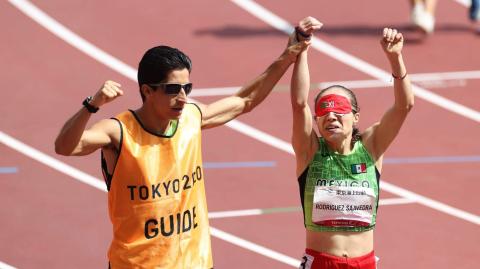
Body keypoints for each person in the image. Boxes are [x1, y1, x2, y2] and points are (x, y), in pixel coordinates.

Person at [54, 36, 309, 268]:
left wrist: (287, 56)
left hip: (194, 262)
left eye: (187, 88)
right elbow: (65, 147)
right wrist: (92, 105)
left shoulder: (191, 117)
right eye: (173, 89)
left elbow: (245, 100)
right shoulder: (118, 132)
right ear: (147, 91)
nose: (183, 98)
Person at [290, 17, 414, 269]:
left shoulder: (371, 147)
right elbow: (299, 104)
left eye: (339, 109)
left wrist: (395, 59)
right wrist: (301, 50)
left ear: (356, 116)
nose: (330, 116)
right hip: (322, 263)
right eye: (323, 111)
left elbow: (404, 106)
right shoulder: (309, 151)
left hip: (364, 263)